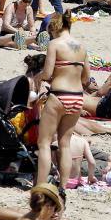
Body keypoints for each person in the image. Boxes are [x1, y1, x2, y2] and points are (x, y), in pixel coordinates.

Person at [37, 12, 90, 187]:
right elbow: (86, 79)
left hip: (59, 95)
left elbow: (47, 74)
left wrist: (41, 78)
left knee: (44, 143)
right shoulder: (82, 47)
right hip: (77, 97)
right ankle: (63, 187)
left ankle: (41, 185)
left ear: (53, 28)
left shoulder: (54, 44)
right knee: (64, 144)